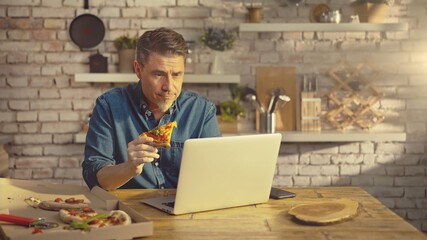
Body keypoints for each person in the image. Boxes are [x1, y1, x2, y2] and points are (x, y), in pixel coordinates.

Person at [82, 27, 221, 190]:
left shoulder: (202, 110)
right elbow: (95, 178)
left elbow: (217, 173)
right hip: (127, 212)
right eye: (158, 75)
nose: (169, 86)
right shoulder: (109, 106)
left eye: (176, 75)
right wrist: (129, 168)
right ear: (138, 70)